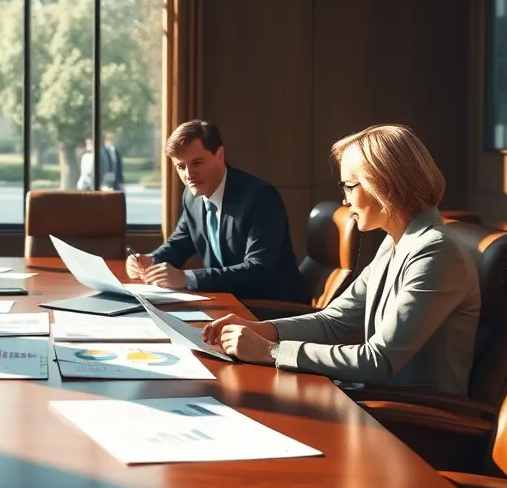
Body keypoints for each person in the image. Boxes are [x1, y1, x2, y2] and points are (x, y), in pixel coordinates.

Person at [203, 124, 481, 394]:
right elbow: (333, 321)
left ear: (383, 185)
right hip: (374, 400)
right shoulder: (394, 242)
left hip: (418, 419)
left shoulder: (436, 252)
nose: (345, 201)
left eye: (349, 186)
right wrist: (263, 330)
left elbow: (378, 361)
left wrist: (270, 351)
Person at [126, 119, 308, 303]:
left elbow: (258, 270)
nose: (188, 174)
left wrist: (187, 278)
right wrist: (150, 261)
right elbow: (178, 245)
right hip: (227, 301)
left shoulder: (260, 197)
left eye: (197, 163)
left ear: (219, 155)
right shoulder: (191, 197)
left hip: (273, 307)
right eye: (181, 167)